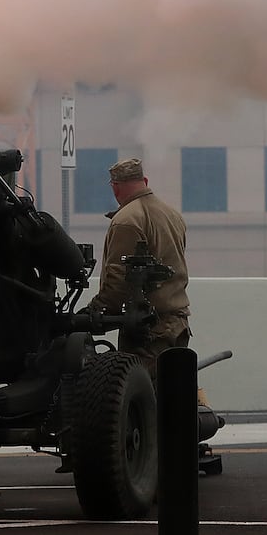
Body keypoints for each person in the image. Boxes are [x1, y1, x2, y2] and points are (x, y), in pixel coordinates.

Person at [86, 157, 191, 381]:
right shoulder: (173, 215)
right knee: (173, 396)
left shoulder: (126, 220)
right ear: (144, 180)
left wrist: (95, 311)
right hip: (177, 324)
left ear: (115, 187)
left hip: (147, 332)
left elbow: (119, 279)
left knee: (142, 403)